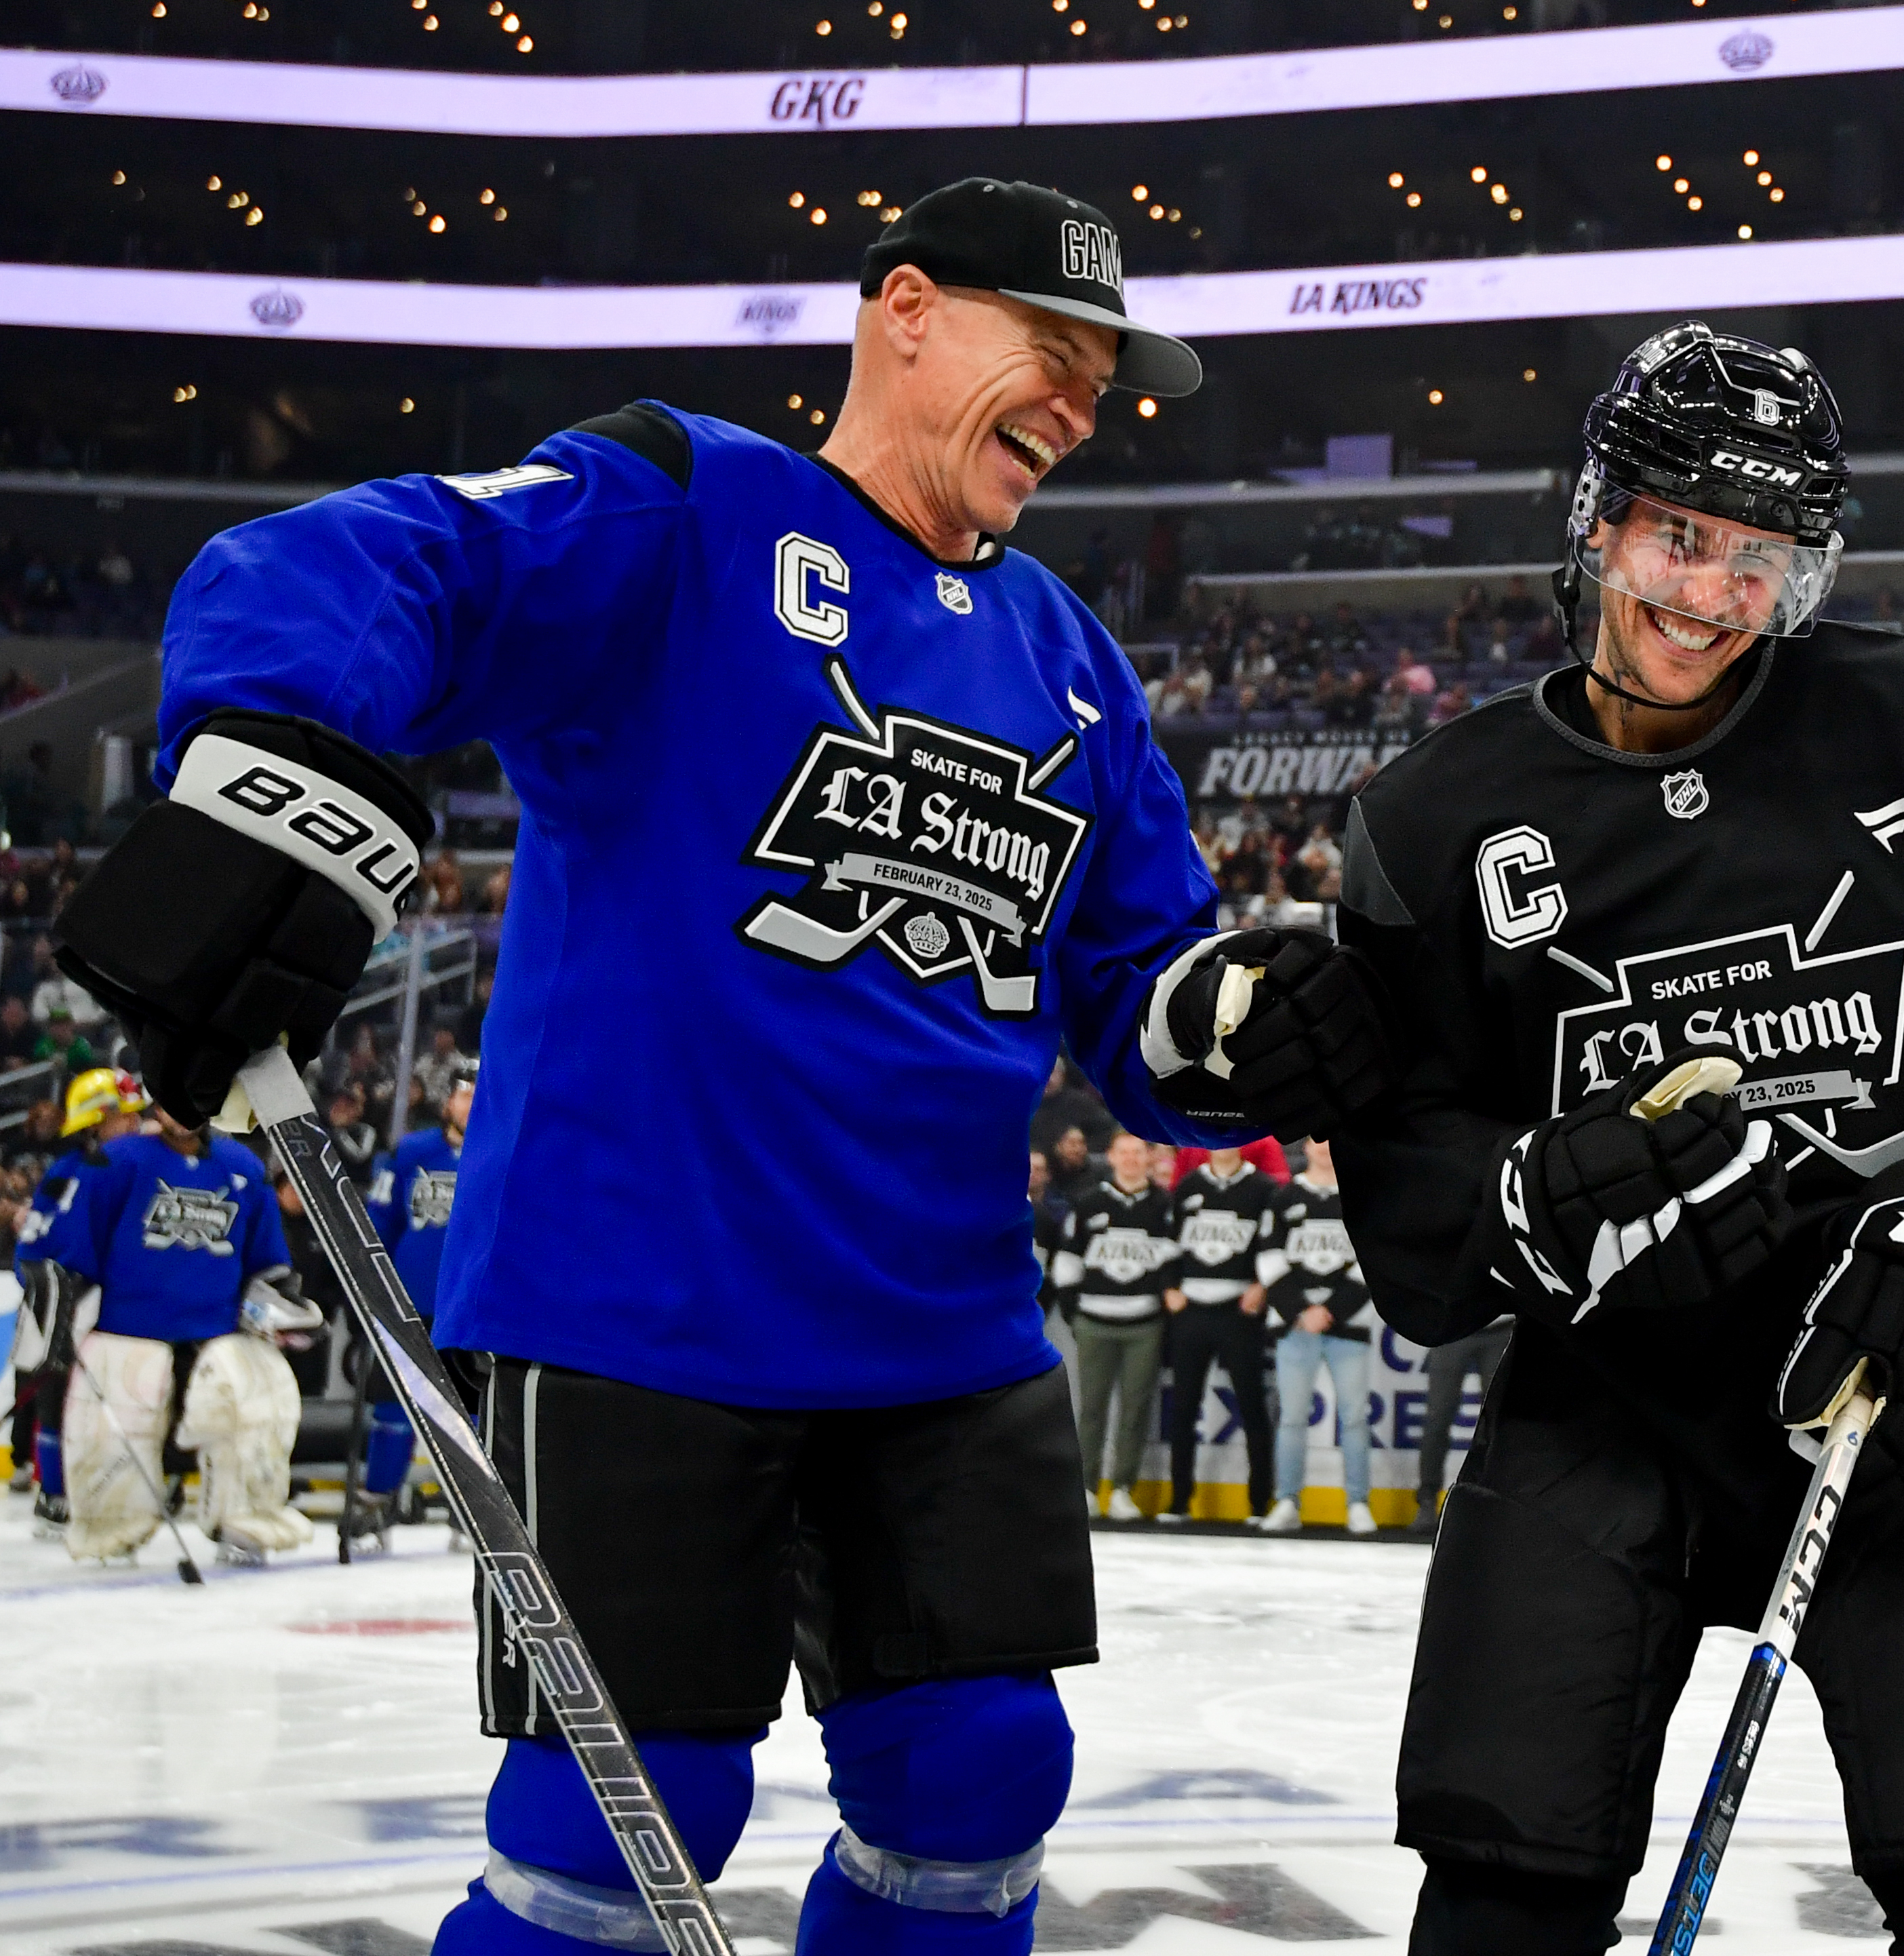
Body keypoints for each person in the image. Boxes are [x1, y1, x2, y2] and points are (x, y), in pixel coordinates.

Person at [47, 176, 1396, 1956]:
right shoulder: (682, 504)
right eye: (1049, 352)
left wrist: (1225, 1023)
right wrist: (270, 765)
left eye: (1100, 376)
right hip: (638, 1307)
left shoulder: (1070, 659)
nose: (1080, 405)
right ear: (902, 310)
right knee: (624, 1811)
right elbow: (367, 560)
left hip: (943, 1326)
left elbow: (1136, 983)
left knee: (980, 1773)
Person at [1336, 322, 1904, 1955]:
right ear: (1601, 516)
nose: (1709, 593)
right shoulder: (1432, 821)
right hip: (1599, 1412)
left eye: (1760, 558)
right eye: (1682, 534)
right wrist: (1532, 1194)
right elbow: (1414, 1206)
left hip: (1888, 1389)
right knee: (1496, 1898)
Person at [25, 1102, 318, 1565]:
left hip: (218, 1326)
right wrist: (64, 1304)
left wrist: (283, 1304)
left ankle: (244, 1518)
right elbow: (69, 1249)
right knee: (115, 1413)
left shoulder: (243, 1167)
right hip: (129, 1328)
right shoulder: (117, 1162)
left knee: (259, 1398)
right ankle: (112, 1526)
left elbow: (269, 1261)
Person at [9, 1067, 148, 1541]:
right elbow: (34, 1243)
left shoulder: (118, 1169)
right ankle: (55, 1493)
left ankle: (112, 1492)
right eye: (123, 1117)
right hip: (73, 1297)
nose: (133, 1125)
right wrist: (51, 1284)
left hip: (114, 1301)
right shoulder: (73, 1172)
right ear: (95, 1121)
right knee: (55, 1397)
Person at [355, 1057, 477, 1545]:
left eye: (477, 1095)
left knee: (470, 1415)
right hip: (408, 1302)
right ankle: (376, 1504)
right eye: (463, 1093)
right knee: (392, 1410)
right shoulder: (411, 1152)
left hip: (468, 1309)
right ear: (446, 1099)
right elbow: (379, 1223)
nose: (469, 1104)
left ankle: (470, 1513)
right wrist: (369, 1282)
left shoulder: (501, 1152)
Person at [1047, 1129, 1176, 1521]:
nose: (1133, 1159)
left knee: (1136, 1410)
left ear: (1150, 1158)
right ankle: (1086, 1487)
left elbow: (1172, 1264)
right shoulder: (1089, 1203)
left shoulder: (1164, 1205)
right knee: (1092, 1410)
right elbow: (1067, 1265)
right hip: (1094, 1323)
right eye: (1125, 1152)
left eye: (1140, 1152)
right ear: (1113, 1157)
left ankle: (1122, 1488)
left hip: (1144, 1325)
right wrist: (1078, 1316)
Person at [1252, 1135, 1378, 1536]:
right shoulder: (1284, 1198)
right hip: (1295, 1327)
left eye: (1331, 1141)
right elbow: (1270, 1259)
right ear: (1305, 1147)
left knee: (1355, 1419)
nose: (1325, 1147)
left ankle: (1357, 1503)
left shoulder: (1360, 1199)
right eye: (1317, 1141)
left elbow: (1371, 1263)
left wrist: (1332, 1311)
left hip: (1349, 1327)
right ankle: (1288, 1501)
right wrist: (1301, 1312)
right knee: (1291, 1419)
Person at [1159, 1141, 1282, 1525]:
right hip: (1191, 1313)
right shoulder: (1188, 1186)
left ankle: (1259, 1504)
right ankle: (1179, 1502)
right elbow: (1167, 1245)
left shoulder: (1264, 1190)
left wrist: (1262, 1285)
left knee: (1252, 1408)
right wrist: (1169, 1286)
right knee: (1182, 1408)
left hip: (1239, 1314)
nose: (1224, 1145)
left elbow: (1275, 1245)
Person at [1408, 1310, 1511, 1536]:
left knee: (1500, 1423)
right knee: (1438, 1418)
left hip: (1502, 1328)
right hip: (1454, 1326)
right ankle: (1427, 1500)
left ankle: (1499, 1504)